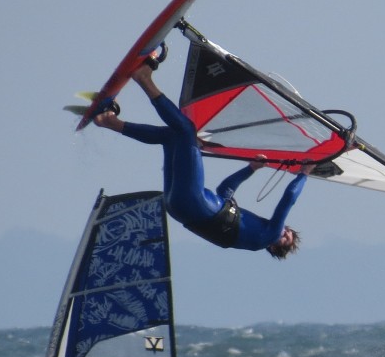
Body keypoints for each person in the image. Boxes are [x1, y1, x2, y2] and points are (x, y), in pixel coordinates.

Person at [94, 63, 308, 257]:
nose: (284, 232)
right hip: (180, 207)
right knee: (171, 138)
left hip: (194, 203)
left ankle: (144, 79)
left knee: (187, 130)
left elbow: (289, 197)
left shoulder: (266, 238)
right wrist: (250, 169)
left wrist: (305, 173)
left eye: (284, 239)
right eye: (288, 231)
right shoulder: (250, 230)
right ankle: (110, 122)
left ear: (273, 247)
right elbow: (225, 190)